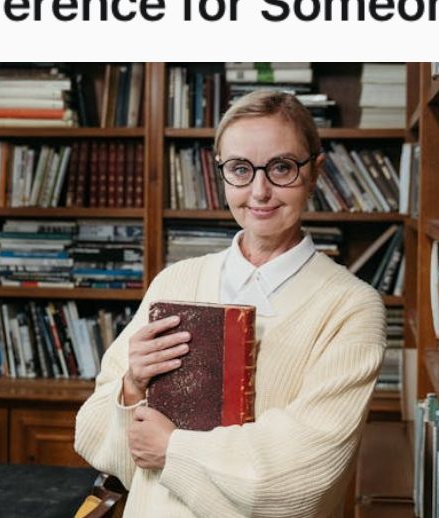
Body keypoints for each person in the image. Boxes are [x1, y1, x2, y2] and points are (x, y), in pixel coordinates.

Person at [74, 90, 386, 517]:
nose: (259, 191)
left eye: (281, 167)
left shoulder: (351, 308)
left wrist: (172, 449)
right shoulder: (175, 283)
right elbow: (97, 441)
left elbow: (305, 475)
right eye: (240, 169)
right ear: (221, 175)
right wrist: (131, 387)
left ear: (315, 173)